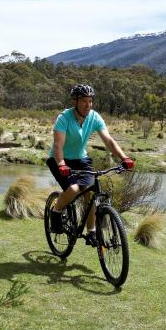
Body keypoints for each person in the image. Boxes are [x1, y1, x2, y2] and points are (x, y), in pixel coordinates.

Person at [46, 84, 134, 244]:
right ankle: (56, 211)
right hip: (60, 160)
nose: (88, 105)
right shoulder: (64, 118)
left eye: (90, 101)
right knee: (73, 189)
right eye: (84, 101)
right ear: (75, 102)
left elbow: (108, 140)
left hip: (81, 160)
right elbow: (58, 145)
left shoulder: (94, 117)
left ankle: (92, 232)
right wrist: (62, 164)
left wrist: (123, 158)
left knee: (90, 193)